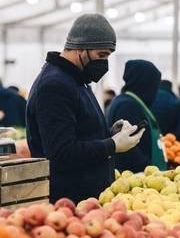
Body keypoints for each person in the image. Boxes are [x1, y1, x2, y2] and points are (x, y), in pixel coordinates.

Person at [26, 14, 144, 203]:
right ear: (80, 48)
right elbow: (61, 153)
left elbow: (79, 133)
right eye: (101, 55)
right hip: (69, 205)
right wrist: (112, 145)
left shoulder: (76, 81)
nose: (104, 63)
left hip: (87, 202)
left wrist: (109, 133)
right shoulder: (54, 86)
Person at [107, 60, 167, 172]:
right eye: (154, 84)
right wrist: (147, 168)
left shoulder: (132, 102)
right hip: (135, 177)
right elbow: (127, 147)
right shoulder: (127, 105)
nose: (156, 90)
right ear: (144, 82)